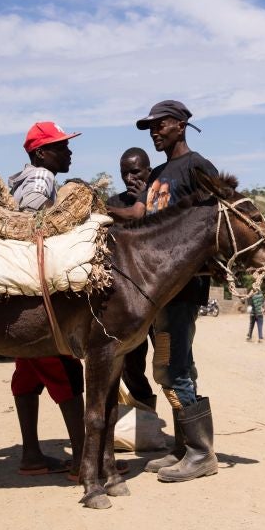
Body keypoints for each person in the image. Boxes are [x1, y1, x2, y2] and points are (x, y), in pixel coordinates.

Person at [107, 100, 219, 482]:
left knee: (174, 367)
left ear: (181, 125)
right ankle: (183, 448)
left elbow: (214, 221)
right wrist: (97, 209)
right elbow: (139, 215)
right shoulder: (158, 172)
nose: (154, 132)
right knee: (172, 367)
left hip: (183, 287)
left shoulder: (197, 166)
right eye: (149, 127)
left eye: (160, 125)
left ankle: (201, 453)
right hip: (158, 288)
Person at [7, 121, 86, 478]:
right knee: (66, 372)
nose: (68, 152)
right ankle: (84, 459)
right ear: (41, 153)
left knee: (26, 378)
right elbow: (31, 223)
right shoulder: (42, 178)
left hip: (20, 298)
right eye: (61, 146)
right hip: (39, 297)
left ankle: (31, 455)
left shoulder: (26, 177)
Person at [106, 147, 157, 410]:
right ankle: (146, 420)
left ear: (149, 171)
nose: (129, 178)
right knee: (131, 364)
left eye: (135, 172)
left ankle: (184, 437)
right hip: (130, 303)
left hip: (161, 300)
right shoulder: (114, 203)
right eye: (124, 173)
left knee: (171, 365)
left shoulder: (161, 204)